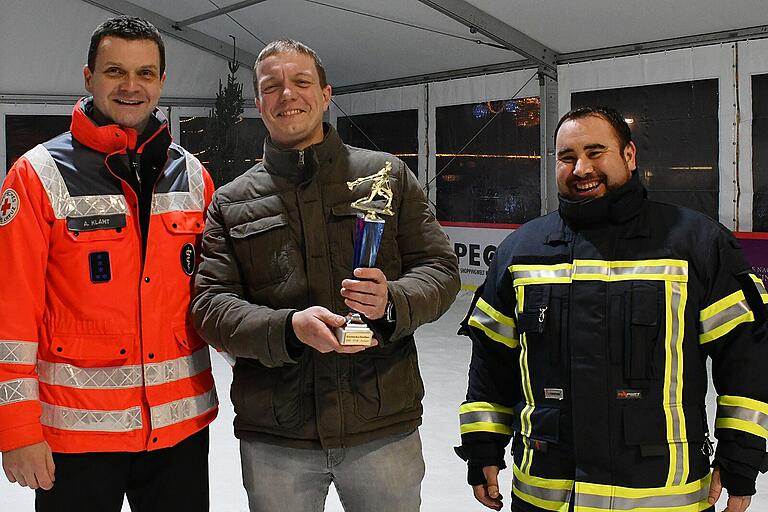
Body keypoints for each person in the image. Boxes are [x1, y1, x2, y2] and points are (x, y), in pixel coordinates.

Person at [191, 39, 460, 512]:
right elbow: (211, 306)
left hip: (381, 423)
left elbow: (439, 269)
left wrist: (392, 301)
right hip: (278, 433)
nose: (286, 95)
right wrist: (287, 329)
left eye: (300, 82)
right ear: (258, 102)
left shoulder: (385, 175)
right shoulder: (232, 201)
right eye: (271, 87)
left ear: (326, 93)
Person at [456, 106, 768, 512]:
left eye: (595, 152)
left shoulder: (697, 243)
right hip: (546, 495)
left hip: (663, 498)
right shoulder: (521, 250)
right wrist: (483, 448)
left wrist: (740, 459)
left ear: (629, 156)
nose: (580, 168)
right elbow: (491, 364)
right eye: (567, 157)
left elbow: (746, 363)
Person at [0, 16, 217, 512]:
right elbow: (10, 313)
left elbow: (216, 294)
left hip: (179, 430)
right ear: (88, 77)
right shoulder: (36, 176)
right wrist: (16, 429)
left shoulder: (193, 175)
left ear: (162, 82)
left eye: (145, 73)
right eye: (115, 71)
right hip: (76, 435)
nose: (130, 86)